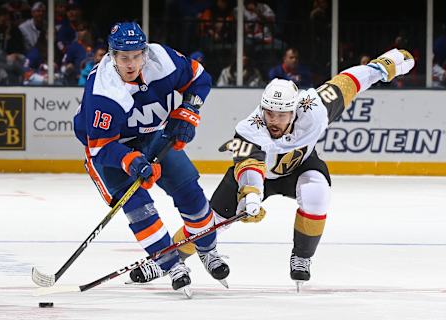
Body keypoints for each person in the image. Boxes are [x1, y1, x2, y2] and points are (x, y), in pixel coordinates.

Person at [128, 48, 415, 288]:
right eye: (269, 113)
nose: (274, 120)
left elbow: (348, 81)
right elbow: (249, 166)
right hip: (257, 177)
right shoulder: (249, 129)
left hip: (300, 168)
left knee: (317, 193)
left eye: (281, 114)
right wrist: (251, 197)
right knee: (208, 222)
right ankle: (164, 259)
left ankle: (302, 257)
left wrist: (383, 66)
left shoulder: (315, 108)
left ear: (296, 111)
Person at [73, 22, 229, 297]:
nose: (131, 63)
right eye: (123, 57)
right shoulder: (104, 92)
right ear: (112, 56)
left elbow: (200, 79)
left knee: (190, 192)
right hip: (110, 149)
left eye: (136, 56)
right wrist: (131, 161)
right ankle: (171, 264)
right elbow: (101, 147)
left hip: (153, 135)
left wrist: (188, 112)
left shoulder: (163, 59)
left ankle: (208, 248)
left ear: (145, 52)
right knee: (139, 207)